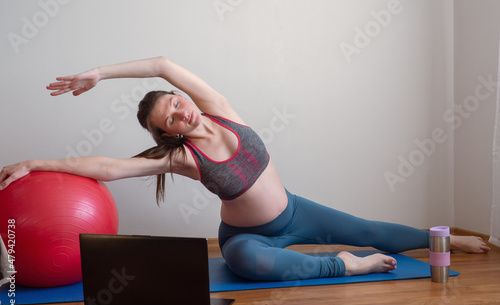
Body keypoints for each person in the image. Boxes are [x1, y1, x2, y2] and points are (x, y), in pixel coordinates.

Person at [0, 56, 490, 281]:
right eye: (169, 118)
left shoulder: (219, 108)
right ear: (168, 133)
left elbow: (163, 63)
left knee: (368, 227)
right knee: (246, 265)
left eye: (175, 101)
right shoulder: (183, 156)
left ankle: (442, 240)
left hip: (295, 213)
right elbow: (107, 167)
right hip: (247, 236)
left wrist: (99, 74)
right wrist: (37, 161)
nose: (179, 110)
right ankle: (345, 264)